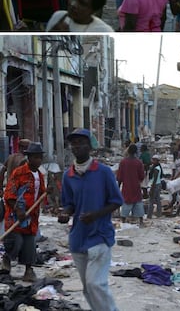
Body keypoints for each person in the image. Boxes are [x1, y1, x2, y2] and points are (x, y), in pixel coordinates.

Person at [58, 128, 122, 311]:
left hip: (100, 235)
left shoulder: (103, 172)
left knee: (96, 284)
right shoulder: (68, 175)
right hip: (78, 238)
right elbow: (69, 204)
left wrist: (95, 215)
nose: (76, 146)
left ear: (90, 146)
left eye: (80, 142)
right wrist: (65, 213)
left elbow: (116, 201)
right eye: (74, 143)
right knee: (87, 287)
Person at [1, 142, 46, 282]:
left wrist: (47, 193)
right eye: (35, 158)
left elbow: (41, 195)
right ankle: (6, 260)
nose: (38, 161)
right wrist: (18, 210)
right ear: (29, 158)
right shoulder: (19, 172)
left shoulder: (40, 175)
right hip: (16, 215)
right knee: (16, 241)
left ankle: (28, 270)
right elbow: (9, 194)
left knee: (30, 244)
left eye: (40, 158)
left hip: (31, 217)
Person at [116, 143, 145, 226]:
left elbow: (119, 177)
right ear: (136, 152)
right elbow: (142, 176)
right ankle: (141, 222)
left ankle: (123, 222)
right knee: (138, 203)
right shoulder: (138, 162)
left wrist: (118, 187)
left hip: (126, 187)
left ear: (128, 151)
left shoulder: (123, 162)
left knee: (126, 204)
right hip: (136, 187)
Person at [147, 154, 163, 219]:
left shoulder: (156, 169)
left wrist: (152, 188)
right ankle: (159, 213)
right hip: (158, 184)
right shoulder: (158, 167)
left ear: (157, 161)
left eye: (154, 160)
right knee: (157, 199)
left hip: (155, 185)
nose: (152, 161)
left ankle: (149, 215)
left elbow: (155, 179)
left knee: (151, 201)